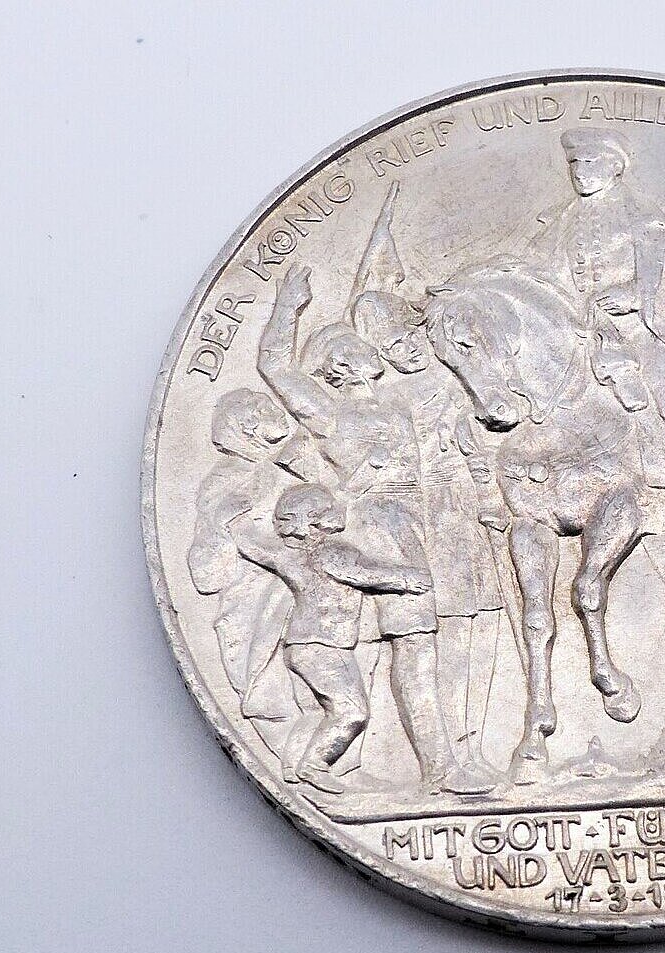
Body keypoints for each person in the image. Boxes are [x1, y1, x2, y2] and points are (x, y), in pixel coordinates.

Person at [256, 263, 491, 795]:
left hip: (419, 523)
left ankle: (450, 758)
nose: (369, 347)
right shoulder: (331, 414)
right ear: (340, 364)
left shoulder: (398, 401)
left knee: (428, 641)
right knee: (414, 643)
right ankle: (439, 767)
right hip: (378, 527)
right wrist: (288, 306)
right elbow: (274, 366)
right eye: (354, 343)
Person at [527, 126, 665, 530]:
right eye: (575, 163)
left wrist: (638, 295)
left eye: (591, 161)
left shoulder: (647, 220)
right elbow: (535, 275)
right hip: (582, 334)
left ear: (615, 167)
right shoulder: (559, 222)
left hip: (644, 333)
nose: (581, 171)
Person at [231, 483, 432, 793]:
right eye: (330, 507)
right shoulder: (333, 552)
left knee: (319, 712)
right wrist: (408, 578)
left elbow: (254, 548)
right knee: (353, 711)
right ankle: (314, 765)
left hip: (302, 646)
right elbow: (365, 574)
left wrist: (234, 524)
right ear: (317, 517)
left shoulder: (288, 557)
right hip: (323, 647)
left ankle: (293, 773)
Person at [186, 388, 300, 724]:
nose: (280, 411)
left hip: (294, 589)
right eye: (268, 408)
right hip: (260, 598)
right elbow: (210, 572)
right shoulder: (229, 480)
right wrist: (298, 566)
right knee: (278, 693)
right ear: (249, 426)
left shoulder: (276, 470)